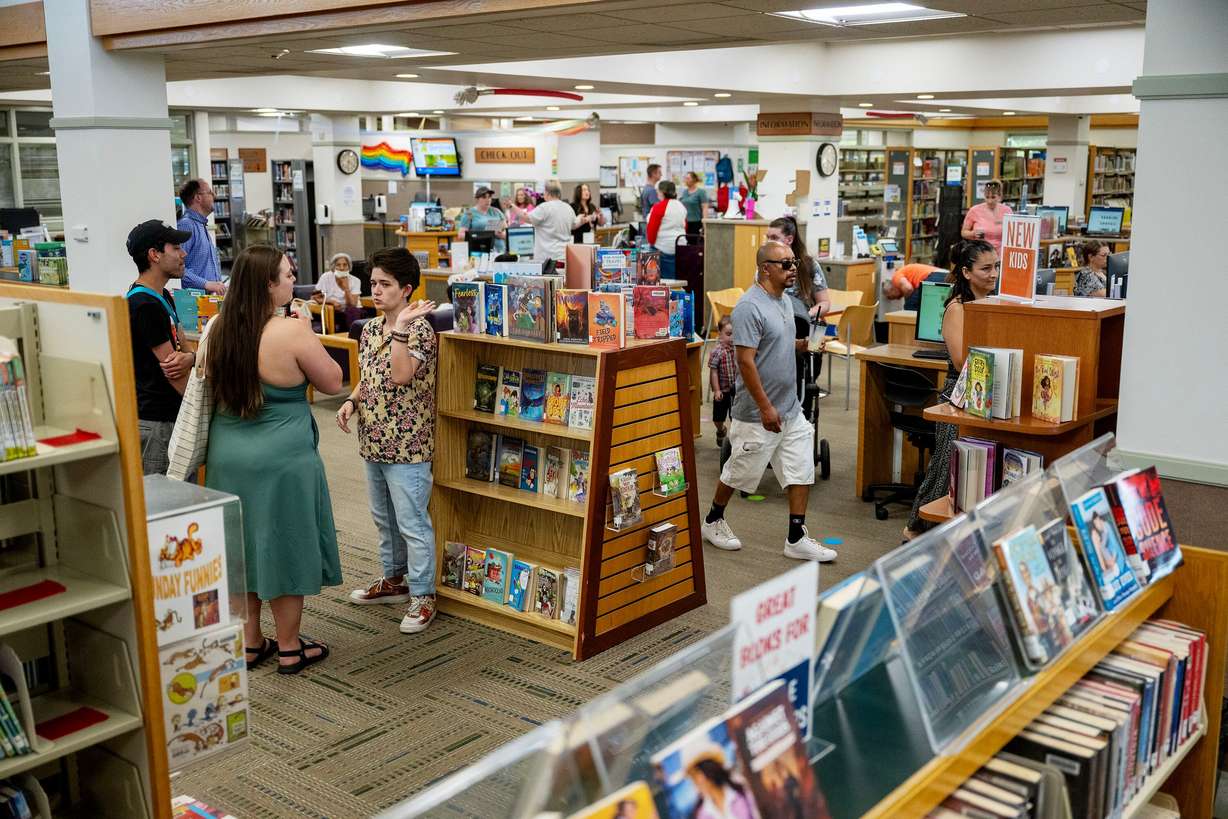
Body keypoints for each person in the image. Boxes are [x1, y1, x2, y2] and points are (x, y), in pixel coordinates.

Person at [204, 244, 344, 675]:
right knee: (284, 542)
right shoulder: (291, 330)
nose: (292, 279)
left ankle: (249, 642)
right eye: (286, 274)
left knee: (241, 545)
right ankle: (288, 646)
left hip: (227, 453)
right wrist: (308, 329)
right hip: (282, 456)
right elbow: (334, 382)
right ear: (268, 284)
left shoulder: (217, 327)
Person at [699, 241, 836, 563]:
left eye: (794, 263)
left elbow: (781, 342)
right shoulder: (750, 306)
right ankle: (713, 521)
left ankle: (796, 536)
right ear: (765, 268)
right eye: (785, 264)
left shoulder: (786, 301)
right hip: (757, 411)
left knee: (801, 468)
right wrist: (764, 407)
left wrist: (803, 345)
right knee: (739, 471)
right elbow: (746, 361)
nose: (793, 270)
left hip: (790, 406)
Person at [338, 248, 441, 632]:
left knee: (412, 521)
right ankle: (395, 579)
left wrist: (399, 330)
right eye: (373, 284)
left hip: (408, 444)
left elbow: (399, 374)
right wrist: (351, 400)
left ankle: (423, 595)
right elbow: (371, 376)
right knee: (384, 519)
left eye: (384, 285)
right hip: (373, 439)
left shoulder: (419, 330)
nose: (375, 291)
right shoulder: (369, 329)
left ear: (407, 289)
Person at [904, 239, 999, 539]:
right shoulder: (957, 308)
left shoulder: (993, 303)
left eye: (996, 266)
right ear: (967, 273)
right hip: (958, 395)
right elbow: (960, 361)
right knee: (944, 470)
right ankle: (916, 529)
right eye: (985, 268)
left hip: (983, 393)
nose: (993, 273)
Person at [124, 220, 194, 475]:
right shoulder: (144, 305)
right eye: (175, 247)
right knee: (167, 507)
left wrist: (193, 358)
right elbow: (174, 370)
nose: (183, 253)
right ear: (154, 255)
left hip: (171, 419)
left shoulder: (162, 296)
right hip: (157, 426)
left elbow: (184, 349)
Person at [766, 217, 832, 321]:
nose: (769, 242)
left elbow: (825, 303)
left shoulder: (810, 265)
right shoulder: (766, 266)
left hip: (803, 325)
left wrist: (807, 315)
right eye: (768, 237)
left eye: (774, 237)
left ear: (789, 240)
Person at [176, 178, 226, 295]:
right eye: (209, 192)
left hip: (210, 299)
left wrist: (219, 284)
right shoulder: (186, 225)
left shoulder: (201, 225)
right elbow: (177, 268)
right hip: (196, 303)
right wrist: (206, 284)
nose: (214, 195)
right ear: (198, 197)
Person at [646, 180, 687, 280]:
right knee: (677, 279)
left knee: (663, 281)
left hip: (663, 248)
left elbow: (651, 231)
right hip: (680, 246)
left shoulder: (659, 207)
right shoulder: (681, 206)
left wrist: (651, 244)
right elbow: (685, 226)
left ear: (662, 192)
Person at [312, 252, 364, 331]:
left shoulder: (356, 280)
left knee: (351, 311)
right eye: (338, 265)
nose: (342, 268)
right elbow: (315, 296)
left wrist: (346, 288)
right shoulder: (326, 277)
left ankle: (351, 339)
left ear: (349, 267)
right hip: (332, 310)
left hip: (351, 310)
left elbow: (352, 304)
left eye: (345, 265)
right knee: (340, 314)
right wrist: (331, 302)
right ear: (334, 267)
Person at [527, 182, 578, 262]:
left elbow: (528, 218)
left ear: (547, 193)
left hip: (547, 259)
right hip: (564, 255)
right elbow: (574, 225)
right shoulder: (568, 207)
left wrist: (511, 207)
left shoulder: (544, 207)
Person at [960, 179, 1013, 253]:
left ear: (1000, 196)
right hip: (981, 252)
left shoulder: (1007, 211)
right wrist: (973, 233)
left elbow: (1012, 234)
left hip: (1001, 253)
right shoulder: (974, 210)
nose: (990, 201)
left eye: (993, 197)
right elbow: (963, 233)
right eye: (987, 197)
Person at [708, 315, 736, 448]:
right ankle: (720, 429)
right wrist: (717, 390)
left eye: (735, 334)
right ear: (720, 334)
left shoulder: (738, 350)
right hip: (722, 391)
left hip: (736, 390)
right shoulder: (717, 352)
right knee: (718, 418)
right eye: (728, 334)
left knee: (735, 417)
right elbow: (713, 371)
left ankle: (736, 440)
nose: (732, 338)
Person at [456, 187, 507, 254]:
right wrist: (484, 235)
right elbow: (461, 235)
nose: (487, 200)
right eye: (484, 197)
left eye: (489, 197)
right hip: (479, 252)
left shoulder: (497, 211)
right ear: (477, 199)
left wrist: (500, 234)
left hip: (499, 251)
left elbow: (507, 232)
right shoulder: (469, 213)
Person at [881, 262, 947, 310]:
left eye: (891, 297)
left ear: (891, 289)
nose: (896, 299)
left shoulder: (895, 278)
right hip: (946, 275)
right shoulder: (904, 272)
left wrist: (907, 302)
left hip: (933, 277)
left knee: (910, 306)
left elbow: (908, 288)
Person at [680, 171, 710, 236]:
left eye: (688, 178)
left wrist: (704, 224)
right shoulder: (684, 192)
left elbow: (705, 208)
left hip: (696, 222)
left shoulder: (701, 192)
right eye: (685, 178)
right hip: (685, 223)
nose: (686, 180)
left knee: (694, 243)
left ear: (694, 180)